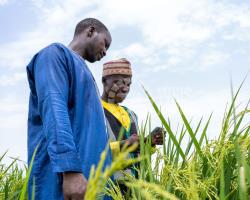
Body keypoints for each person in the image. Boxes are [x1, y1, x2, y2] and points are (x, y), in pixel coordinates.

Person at [26, 18, 113, 200]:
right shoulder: (54, 55)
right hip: (64, 183)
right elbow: (54, 108)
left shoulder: (86, 74)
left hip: (92, 185)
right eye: (105, 44)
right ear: (90, 31)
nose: (105, 52)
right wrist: (70, 170)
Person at [100, 58, 165, 194]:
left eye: (128, 84)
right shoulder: (93, 110)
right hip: (107, 187)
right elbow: (90, 149)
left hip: (135, 188)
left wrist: (149, 143)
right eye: (119, 82)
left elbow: (138, 154)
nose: (125, 88)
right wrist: (125, 144)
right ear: (104, 81)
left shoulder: (131, 114)